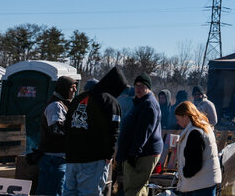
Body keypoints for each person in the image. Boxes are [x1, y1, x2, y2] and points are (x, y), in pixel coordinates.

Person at [63, 66, 127, 196]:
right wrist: (109, 155)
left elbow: (67, 126)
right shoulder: (110, 102)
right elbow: (114, 131)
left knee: (69, 193)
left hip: (72, 158)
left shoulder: (78, 99)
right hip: (93, 159)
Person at [118, 74, 163, 196]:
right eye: (136, 86)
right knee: (139, 187)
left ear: (148, 88)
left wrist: (134, 153)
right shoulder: (140, 102)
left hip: (143, 153)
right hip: (138, 152)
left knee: (133, 188)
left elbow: (143, 132)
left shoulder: (149, 104)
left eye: (142, 86)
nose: (138, 89)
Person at [37, 76, 77, 196]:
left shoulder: (64, 104)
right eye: (72, 88)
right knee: (52, 192)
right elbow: (56, 129)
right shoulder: (56, 106)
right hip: (53, 160)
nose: (75, 90)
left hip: (60, 158)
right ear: (64, 88)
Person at [172, 101, 221, 195]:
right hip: (205, 181)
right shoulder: (203, 127)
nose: (177, 122)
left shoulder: (194, 133)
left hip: (198, 184)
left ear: (185, 116)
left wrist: (185, 173)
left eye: (178, 119)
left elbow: (194, 162)